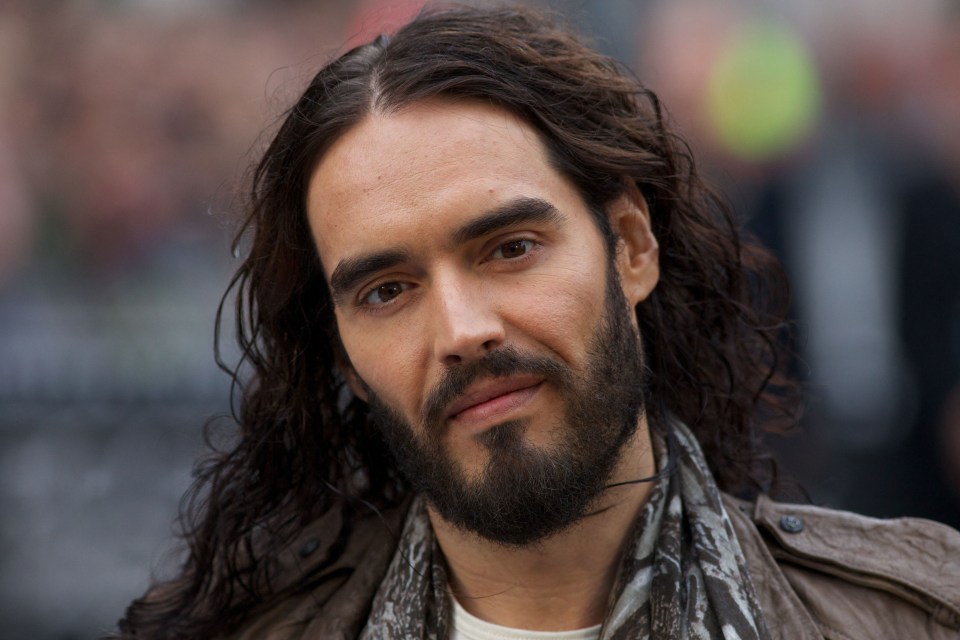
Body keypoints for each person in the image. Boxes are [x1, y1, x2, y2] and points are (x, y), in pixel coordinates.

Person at [115, 6, 960, 639]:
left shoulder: (913, 616)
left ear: (630, 246)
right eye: (386, 291)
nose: (462, 328)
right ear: (341, 356)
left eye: (509, 248)